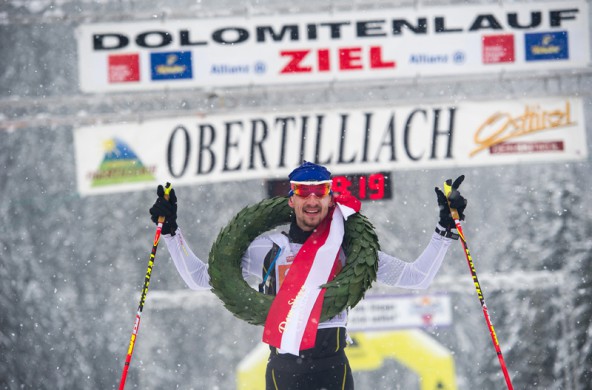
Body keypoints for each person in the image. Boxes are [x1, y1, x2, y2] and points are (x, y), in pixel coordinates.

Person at [149, 161, 467, 390]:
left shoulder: (347, 249)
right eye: (303, 192)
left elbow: (416, 277)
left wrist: (444, 230)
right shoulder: (266, 248)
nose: (312, 200)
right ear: (292, 200)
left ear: (330, 199)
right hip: (284, 370)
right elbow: (200, 278)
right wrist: (171, 232)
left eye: (320, 192)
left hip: (333, 367)